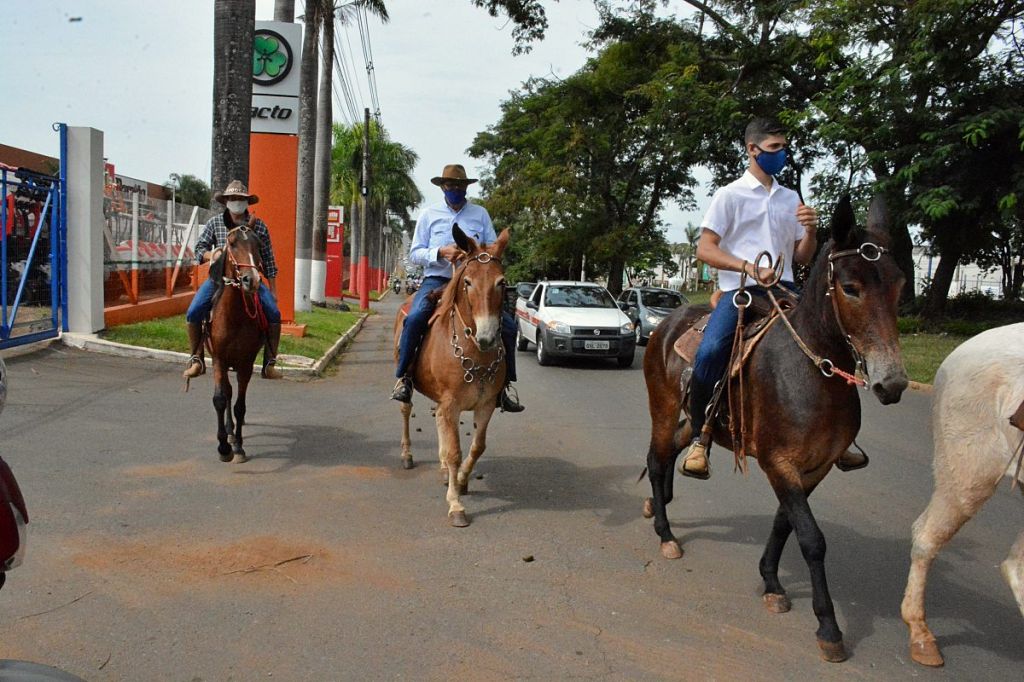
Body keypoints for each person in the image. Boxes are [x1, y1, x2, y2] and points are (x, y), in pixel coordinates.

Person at [679, 117, 867, 479]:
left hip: (786, 290)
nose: (782, 155)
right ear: (753, 149)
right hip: (740, 292)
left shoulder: (790, 197)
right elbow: (705, 248)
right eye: (774, 149)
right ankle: (700, 437)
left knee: (838, 342)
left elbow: (801, 256)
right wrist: (747, 268)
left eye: (784, 148)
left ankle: (843, 437)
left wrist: (810, 231)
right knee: (711, 351)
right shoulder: (729, 194)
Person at [391, 164, 524, 413]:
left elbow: (492, 249)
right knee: (416, 317)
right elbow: (416, 253)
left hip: (472, 283)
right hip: (437, 280)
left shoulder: (480, 214)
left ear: (466, 188)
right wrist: (440, 252)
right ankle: (404, 379)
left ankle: (505, 387)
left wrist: (475, 257)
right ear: (443, 187)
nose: (455, 189)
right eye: (450, 185)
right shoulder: (429, 215)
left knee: (507, 325)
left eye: (460, 186)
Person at [182, 180, 283, 380]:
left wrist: (273, 289)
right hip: (220, 280)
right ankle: (197, 359)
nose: (236, 202)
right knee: (194, 311)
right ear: (226, 201)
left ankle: (269, 363)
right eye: (232, 199)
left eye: (240, 199)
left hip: (250, 279)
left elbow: (269, 259)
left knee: (273, 313)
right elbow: (199, 249)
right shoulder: (214, 223)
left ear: (247, 202)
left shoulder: (259, 226)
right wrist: (213, 255)